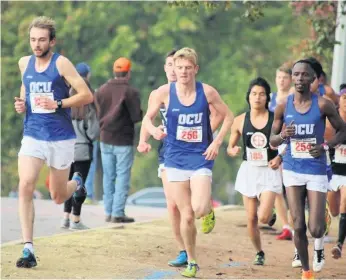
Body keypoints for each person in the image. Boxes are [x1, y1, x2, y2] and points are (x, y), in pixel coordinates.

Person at [142, 47, 234, 277]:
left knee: (200, 208)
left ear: (196, 69)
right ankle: (192, 261)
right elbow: (147, 118)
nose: (182, 72)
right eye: (179, 67)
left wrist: (216, 142)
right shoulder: (164, 92)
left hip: (200, 157)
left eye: (187, 68)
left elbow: (228, 115)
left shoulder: (207, 92)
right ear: (174, 67)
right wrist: (153, 131)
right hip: (173, 159)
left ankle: (209, 211)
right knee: (186, 214)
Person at [14, 16, 93, 268]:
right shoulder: (24, 62)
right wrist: (22, 104)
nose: (36, 45)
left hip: (60, 137)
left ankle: (77, 181)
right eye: (33, 39)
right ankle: (28, 247)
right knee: (26, 184)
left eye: (41, 40)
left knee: (58, 197)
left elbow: (86, 95)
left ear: (52, 41)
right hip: (33, 135)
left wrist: (59, 103)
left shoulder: (62, 64)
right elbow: (26, 91)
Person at [270, 59, 346, 279]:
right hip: (293, 169)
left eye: (305, 75)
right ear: (292, 77)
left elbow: (343, 131)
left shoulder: (323, 104)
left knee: (315, 228)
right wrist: (283, 135)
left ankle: (321, 221)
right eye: (296, 74)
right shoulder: (284, 105)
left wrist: (324, 146)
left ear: (314, 79)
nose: (299, 79)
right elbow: (273, 141)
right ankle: (306, 271)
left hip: (316, 170)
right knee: (298, 224)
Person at [228, 77, 281, 265]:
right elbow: (230, 145)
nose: (257, 98)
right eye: (254, 94)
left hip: (269, 170)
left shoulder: (276, 120)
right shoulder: (240, 120)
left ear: (267, 97)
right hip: (249, 170)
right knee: (251, 218)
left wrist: (279, 157)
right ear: (248, 97)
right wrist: (232, 149)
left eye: (261, 94)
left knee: (264, 217)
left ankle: (270, 211)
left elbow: (287, 144)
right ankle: (259, 252)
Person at [95, 57, 142, 223]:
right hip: (123, 141)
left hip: (105, 138)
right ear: (128, 73)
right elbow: (136, 117)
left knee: (108, 176)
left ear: (114, 72)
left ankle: (108, 211)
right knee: (122, 176)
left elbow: (96, 113)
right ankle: (117, 213)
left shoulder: (101, 90)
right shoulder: (131, 92)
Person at [61, 62, 99, 230]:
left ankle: (65, 218)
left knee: (69, 183)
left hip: (67, 149)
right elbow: (93, 132)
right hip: (83, 150)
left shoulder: (65, 103)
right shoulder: (88, 108)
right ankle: (76, 220)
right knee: (79, 184)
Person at [269, 65, 293, 241]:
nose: (282, 80)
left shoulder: (294, 100)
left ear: (290, 80)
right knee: (277, 187)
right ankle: (286, 226)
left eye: (285, 77)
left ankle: (293, 224)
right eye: (279, 77)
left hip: (291, 146)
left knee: (291, 188)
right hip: (272, 146)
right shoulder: (270, 99)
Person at [326, 84, 346, 259]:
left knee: (344, 204)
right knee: (333, 211)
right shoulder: (331, 120)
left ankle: (339, 244)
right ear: (340, 100)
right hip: (333, 172)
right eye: (345, 98)